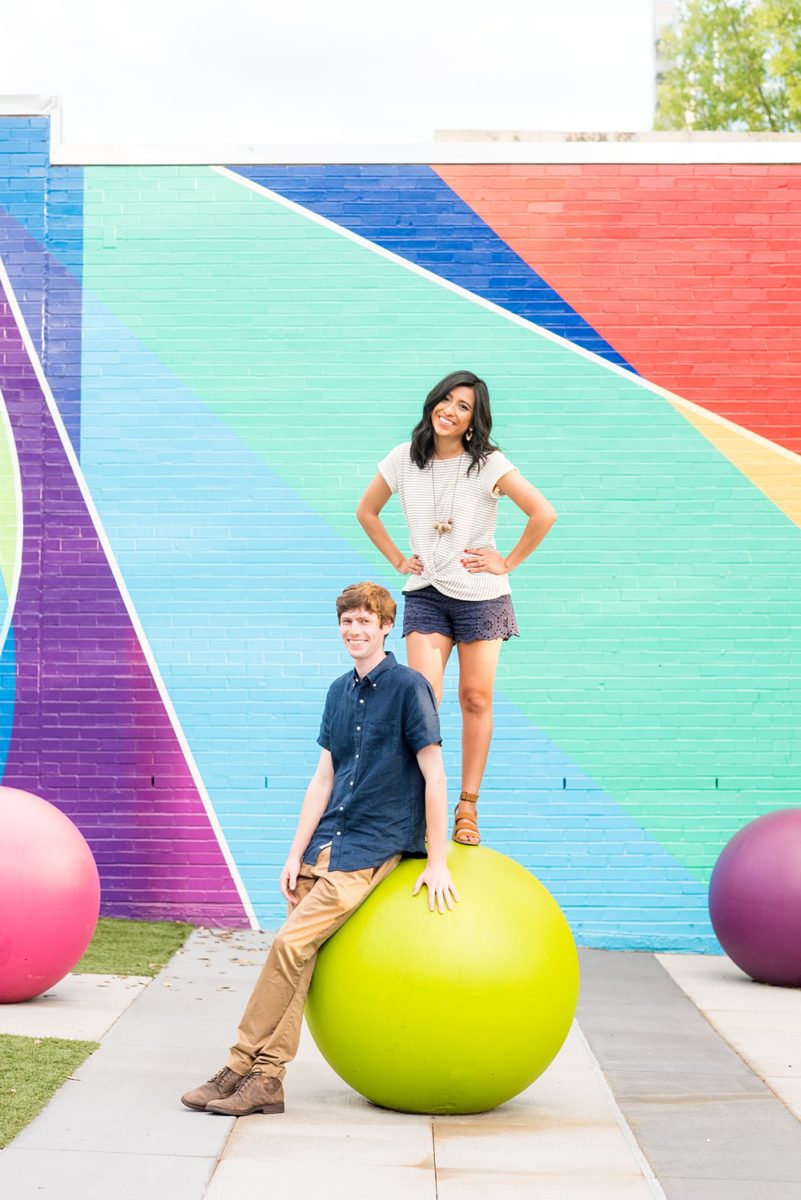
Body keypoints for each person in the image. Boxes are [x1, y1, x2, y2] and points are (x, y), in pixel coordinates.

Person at [181, 581, 457, 1118]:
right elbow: (324, 777)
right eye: (347, 622)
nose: (355, 631)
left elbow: (434, 773)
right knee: (298, 960)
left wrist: (439, 859)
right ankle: (267, 1082)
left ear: (384, 627)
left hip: (373, 847)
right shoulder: (337, 691)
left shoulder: (409, 687)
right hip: (327, 843)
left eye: (365, 622)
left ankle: (238, 1064)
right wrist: (294, 853)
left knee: (287, 946)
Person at [356, 370, 557, 848]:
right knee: (423, 700)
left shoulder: (488, 463)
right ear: (433, 404)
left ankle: (467, 806)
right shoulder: (403, 459)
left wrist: (506, 561)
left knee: (476, 698)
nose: (450, 410)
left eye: (463, 406)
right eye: (446, 400)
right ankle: (418, 806)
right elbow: (366, 511)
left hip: (482, 598)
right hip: (426, 592)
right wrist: (398, 559)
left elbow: (543, 512)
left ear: (473, 419)